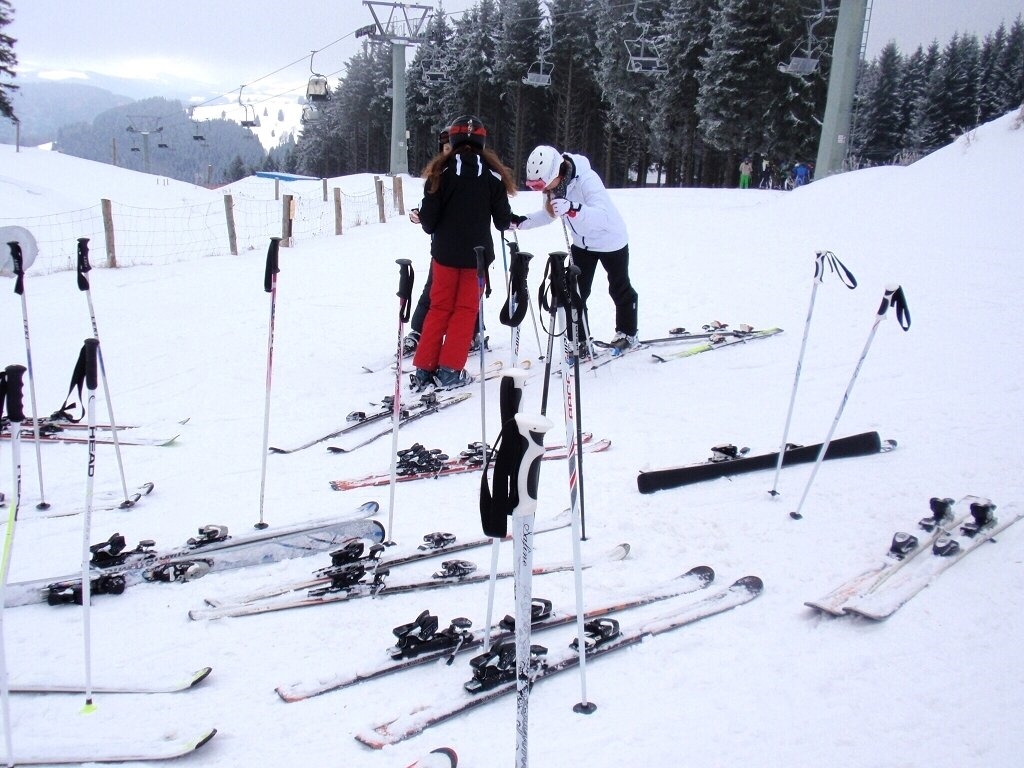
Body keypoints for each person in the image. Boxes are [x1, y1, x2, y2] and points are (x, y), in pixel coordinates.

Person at [409, 115, 521, 391]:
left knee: (438, 308)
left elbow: (429, 223)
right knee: (465, 311)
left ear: (454, 139)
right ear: (482, 142)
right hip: (477, 259)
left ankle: (424, 368)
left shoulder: (439, 173)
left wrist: (425, 216)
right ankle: (450, 369)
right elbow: (502, 221)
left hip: (444, 256)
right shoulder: (493, 176)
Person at [516, 145, 638, 355]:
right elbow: (549, 214)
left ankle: (628, 334)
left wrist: (573, 208)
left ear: (556, 172)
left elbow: (602, 216)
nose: (543, 190)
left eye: (543, 185)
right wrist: (521, 222)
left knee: (619, 288)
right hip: (582, 244)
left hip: (610, 240)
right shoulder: (554, 187)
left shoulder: (587, 179)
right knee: (575, 293)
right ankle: (580, 340)